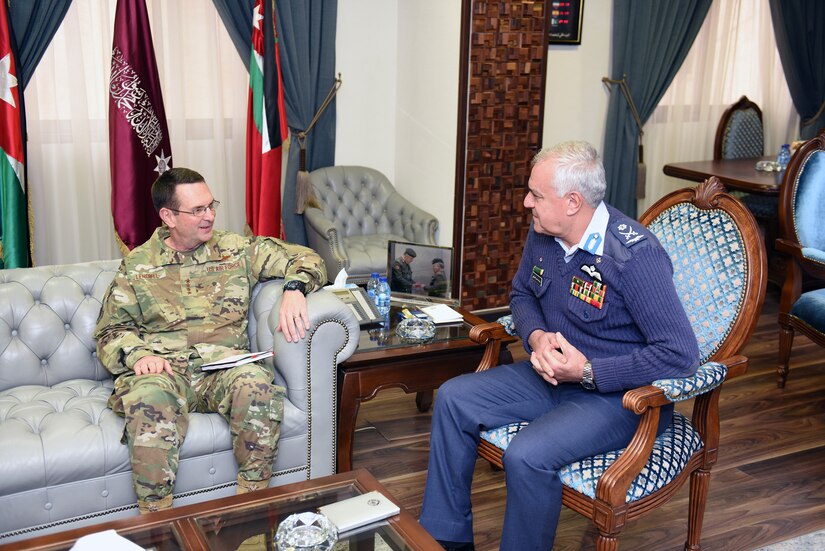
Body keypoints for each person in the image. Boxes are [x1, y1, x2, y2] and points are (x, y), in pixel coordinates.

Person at [418, 141, 700, 550]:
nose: (526, 202)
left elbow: (680, 354)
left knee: (526, 455)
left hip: (615, 398)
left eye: (536, 195)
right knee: (453, 398)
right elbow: (521, 296)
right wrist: (536, 337)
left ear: (572, 202)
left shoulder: (634, 256)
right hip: (547, 376)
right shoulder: (545, 234)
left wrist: (588, 372)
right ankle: (446, 540)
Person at [94, 167, 327, 514]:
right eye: (198, 210)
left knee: (257, 386)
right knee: (149, 399)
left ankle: (250, 510)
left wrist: (295, 289)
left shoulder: (237, 249)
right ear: (168, 216)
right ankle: (158, 522)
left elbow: (307, 257)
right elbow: (110, 332)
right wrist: (138, 354)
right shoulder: (138, 266)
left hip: (224, 368)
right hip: (165, 369)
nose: (210, 216)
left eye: (211, 205)